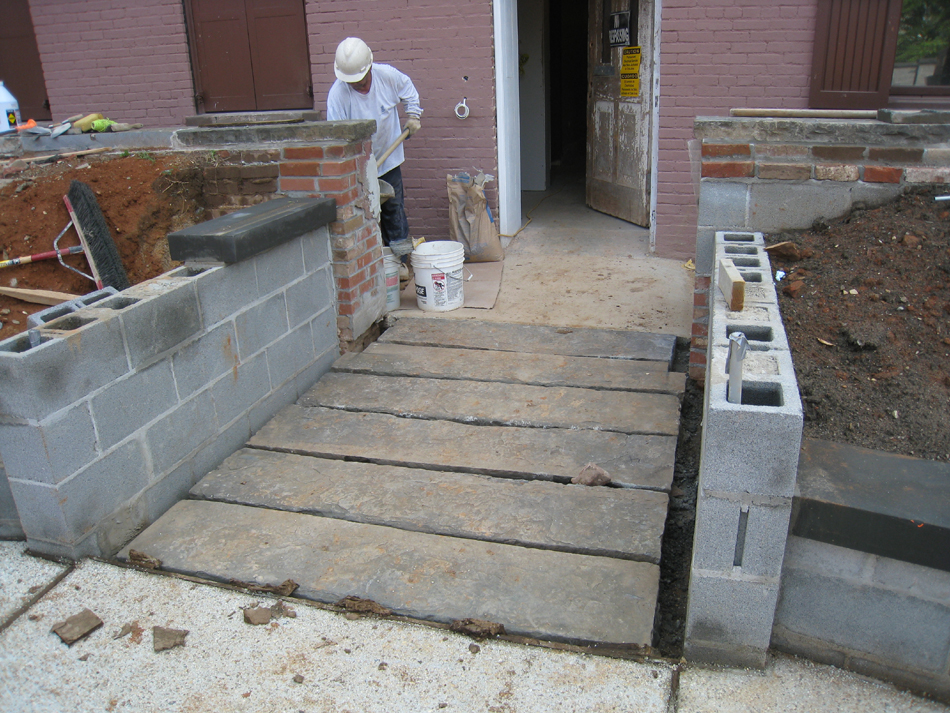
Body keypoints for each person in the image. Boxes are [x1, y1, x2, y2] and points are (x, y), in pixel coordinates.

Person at [327, 37, 422, 261]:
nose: (358, 84)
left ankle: (400, 264)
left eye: (361, 80)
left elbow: (408, 89)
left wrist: (414, 115)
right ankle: (372, 266)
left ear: (369, 66)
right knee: (362, 218)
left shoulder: (387, 76)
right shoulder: (337, 95)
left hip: (388, 161)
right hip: (358, 169)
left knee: (394, 213)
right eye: (353, 82)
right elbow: (337, 139)